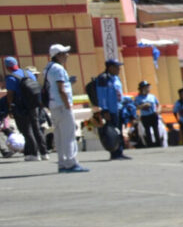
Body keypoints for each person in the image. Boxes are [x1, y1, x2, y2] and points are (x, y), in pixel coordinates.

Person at [44, 44, 85, 173]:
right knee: (69, 135)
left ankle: (62, 163)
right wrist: (68, 105)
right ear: (58, 55)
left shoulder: (48, 68)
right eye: (64, 53)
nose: (67, 55)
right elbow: (61, 89)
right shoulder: (58, 69)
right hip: (62, 105)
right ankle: (71, 162)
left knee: (60, 136)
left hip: (54, 105)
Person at [4, 55, 46, 162]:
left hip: (21, 107)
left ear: (7, 67)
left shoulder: (11, 78)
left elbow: (10, 95)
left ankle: (33, 153)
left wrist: (10, 108)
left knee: (27, 130)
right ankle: (44, 152)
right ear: (16, 64)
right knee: (37, 128)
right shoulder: (28, 73)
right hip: (34, 105)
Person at [89, 57, 130, 161]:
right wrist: (104, 110)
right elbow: (101, 96)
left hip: (119, 108)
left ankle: (120, 151)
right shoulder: (103, 78)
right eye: (117, 67)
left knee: (119, 131)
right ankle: (114, 153)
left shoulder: (116, 78)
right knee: (112, 131)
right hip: (110, 110)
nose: (119, 69)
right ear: (110, 67)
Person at [133, 80, 162, 148]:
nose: (147, 89)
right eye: (145, 87)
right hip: (145, 116)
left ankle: (158, 144)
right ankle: (150, 144)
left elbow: (158, 104)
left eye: (147, 87)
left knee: (156, 130)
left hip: (153, 114)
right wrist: (143, 106)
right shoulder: (138, 98)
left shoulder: (152, 96)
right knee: (147, 131)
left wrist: (158, 110)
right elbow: (135, 107)